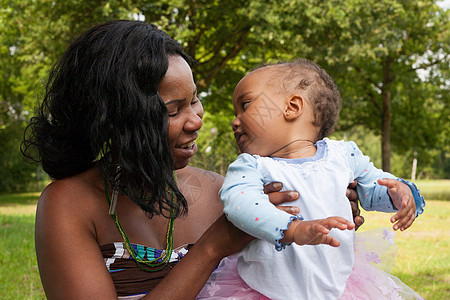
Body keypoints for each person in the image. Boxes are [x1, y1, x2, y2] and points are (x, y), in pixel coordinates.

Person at [20, 20, 364, 299]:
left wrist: (325, 205)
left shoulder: (226, 192)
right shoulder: (69, 204)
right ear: (116, 120)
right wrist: (212, 247)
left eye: (194, 100)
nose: (196, 120)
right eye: (174, 110)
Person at [198, 59, 425, 299]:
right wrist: (293, 229)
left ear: (293, 106)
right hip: (264, 290)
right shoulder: (251, 165)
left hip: (339, 287)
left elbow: (372, 187)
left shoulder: (343, 155)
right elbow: (238, 203)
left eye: (245, 105)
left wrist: (400, 192)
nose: (234, 121)